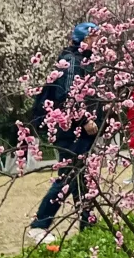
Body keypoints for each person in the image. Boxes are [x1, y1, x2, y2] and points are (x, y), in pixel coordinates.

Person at [27, 23, 103, 242]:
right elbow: (67, 97)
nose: (98, 42)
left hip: (78, 132)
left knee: (83, 179)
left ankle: (88, 229)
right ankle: (38, 225)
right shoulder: (72, 63)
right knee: (69, 177)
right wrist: (85, 118)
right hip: (72, 131)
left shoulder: (83, 62)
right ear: (84, 40)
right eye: (94, 37)